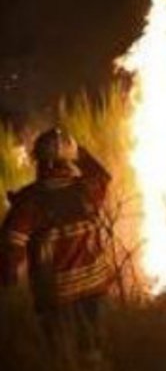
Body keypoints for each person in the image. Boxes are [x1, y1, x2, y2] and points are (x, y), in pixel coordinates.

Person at [1, 127, 114, 350]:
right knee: (92, 347)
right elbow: (103, 177)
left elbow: (11, 244)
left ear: (41, 163)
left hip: (56, 295)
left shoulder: (29, 201)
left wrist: (8, 276)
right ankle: (94, 369)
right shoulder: (87, 190)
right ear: (69, 161)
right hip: (93, 288)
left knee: (62, 352)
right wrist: (79, 152)